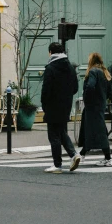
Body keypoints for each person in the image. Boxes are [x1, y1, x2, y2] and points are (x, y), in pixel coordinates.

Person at [40, 42, 81, 174]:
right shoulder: (69, 67)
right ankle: (74, 155)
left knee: (54, 136)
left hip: (52, 106)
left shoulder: (51, 68)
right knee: (62, 132)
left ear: (51, 52)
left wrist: (44, 104)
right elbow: (75, 88)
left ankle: (57, 165)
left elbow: (46, 90)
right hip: (66, 105)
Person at [80, 52, 112, 166]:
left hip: (92, 106)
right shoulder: (105, 72)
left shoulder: (93, 71)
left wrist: (87, 99)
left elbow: (90, 86)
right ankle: (83, 154)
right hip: (99, 105)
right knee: (98, 130)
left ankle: (84, 154)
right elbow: (110, 91)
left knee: (94, 130)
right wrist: (102, 98)